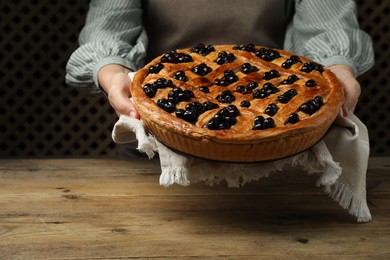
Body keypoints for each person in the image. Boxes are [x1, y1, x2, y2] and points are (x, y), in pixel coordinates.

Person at [66, 0, 374, 120]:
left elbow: (329, 28)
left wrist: (339, 69)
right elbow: (106, 30)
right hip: (158, 139)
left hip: (273, 135)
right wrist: (112, 73)